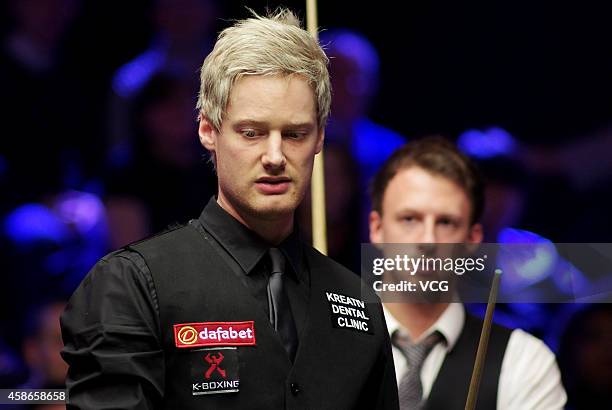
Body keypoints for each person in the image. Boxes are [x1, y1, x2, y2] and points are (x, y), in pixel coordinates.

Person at [61, 9, 398, 409]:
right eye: (251, 132)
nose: (275, 156)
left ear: (319, 138)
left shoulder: (358, 301)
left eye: (294, 134)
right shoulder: (131, 284)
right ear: (208, 130)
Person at [368, 136, 566, 409]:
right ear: (376, 228)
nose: (428, 240)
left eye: (446, 222)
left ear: (473, 237)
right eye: (409, 218)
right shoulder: (321, 340)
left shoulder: (523, 361)